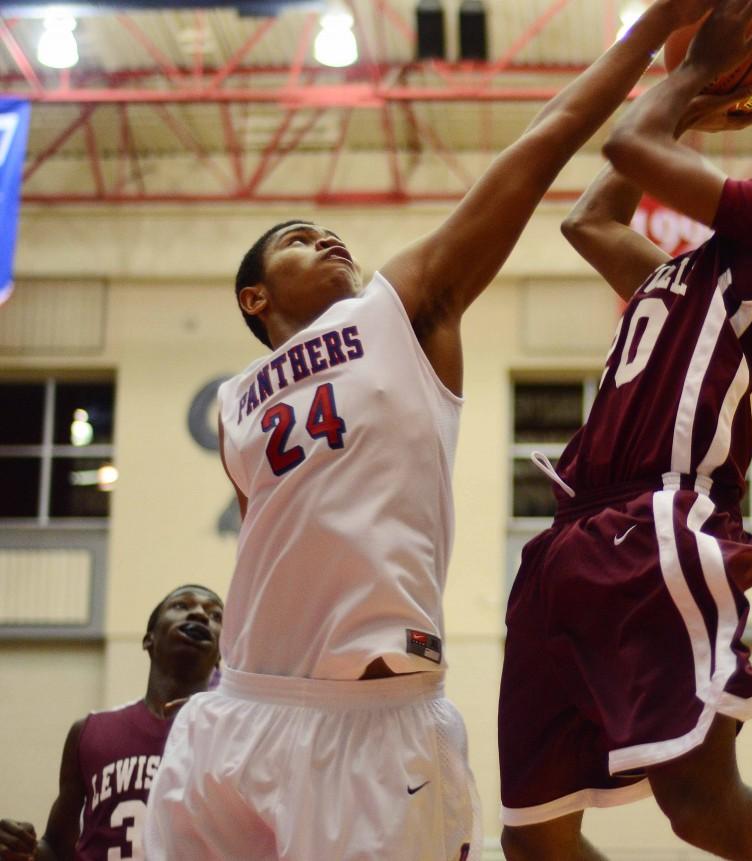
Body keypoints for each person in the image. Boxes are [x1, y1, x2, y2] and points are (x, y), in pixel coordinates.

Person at [140, 2, 719, 859]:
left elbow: (541, 142)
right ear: (253, 298)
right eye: (297, 239)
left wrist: (656, 45)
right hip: (236, 710)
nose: (326, 235)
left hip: (370, 723)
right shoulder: (233, 402)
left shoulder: (399, 308)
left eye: (328, 228)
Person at [497, 2, 752, 859]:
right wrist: (684, 103)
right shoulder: (706, 277)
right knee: (533, 839)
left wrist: (687, 83)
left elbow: (628, 152)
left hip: (656, 520)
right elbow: (590, 222)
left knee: (703, 805)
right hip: (576, 535)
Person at [0, 585, 223, 861]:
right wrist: (20, 848)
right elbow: (57, 849)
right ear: (148, 639)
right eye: (182, 606)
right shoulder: (91, 732)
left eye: (216, 616)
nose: (200, 614)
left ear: (221, 657)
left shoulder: (233, 739)